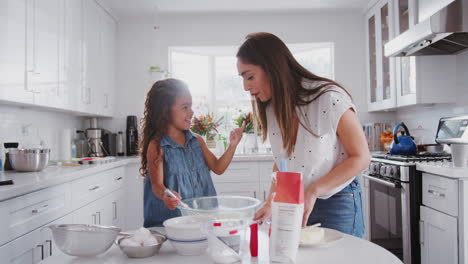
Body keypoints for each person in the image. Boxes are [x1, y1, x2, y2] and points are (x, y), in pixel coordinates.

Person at [236, 32, 370, 237]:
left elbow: (361, 157)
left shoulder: (329, 98)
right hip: (297, 200)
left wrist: (314, 191)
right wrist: (271, 201)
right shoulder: (273, 107)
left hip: (336, 201)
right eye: (243, 79)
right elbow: (282, 161)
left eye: (250, 76)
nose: (246, 87)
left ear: (272, 68)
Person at [140, 78, 245, 227]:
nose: (191, 111)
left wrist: (233, 145)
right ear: (165, 110)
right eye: (185, 107)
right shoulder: (157, 146)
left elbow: (218, 167)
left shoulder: (197, 141)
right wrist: (166, 195)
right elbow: (157, 185)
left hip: (201, 221)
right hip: (169, 224)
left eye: (191, 106)